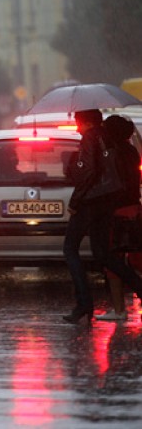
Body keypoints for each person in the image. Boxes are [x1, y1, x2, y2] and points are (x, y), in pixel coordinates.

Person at [63, 109, 142, 324]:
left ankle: (83, 305)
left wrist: (75, 201)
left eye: (78, 124)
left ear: (86, 123)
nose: (77, 129)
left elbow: (88, 171)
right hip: (108, 202)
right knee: (103, 253)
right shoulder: (110, 139)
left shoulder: (91, 137)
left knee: (70, 249)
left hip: (90, 201)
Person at [94, 115, 141, 321]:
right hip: (134, 209)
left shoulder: (112, 154)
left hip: (117, 212)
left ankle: (119, 310)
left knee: (113, 262)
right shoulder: (131, 151)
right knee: (137, 259)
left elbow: (111, 183)